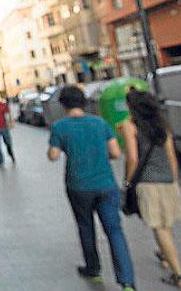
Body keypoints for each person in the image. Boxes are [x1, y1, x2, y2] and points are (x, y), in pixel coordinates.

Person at [48, 85, 136, 291]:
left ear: (63, 104)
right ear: (83, 102)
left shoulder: (60, 127)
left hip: (78, 186)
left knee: (86, 227)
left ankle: (93, 269)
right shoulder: (100, 123)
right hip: (105, 184)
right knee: (114, 231)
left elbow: (53, 155)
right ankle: (127, 281)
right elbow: (115, 153)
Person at [119, 89, 181, 288]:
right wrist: (173, 180)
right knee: (166, 224)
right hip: (167, 180)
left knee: (159, 227)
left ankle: (179, 275)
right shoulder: (162, 125)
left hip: (147, 183)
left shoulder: (130, 126)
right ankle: (165, 256)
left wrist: (127, 182)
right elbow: (171, 156)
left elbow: (132, 158)